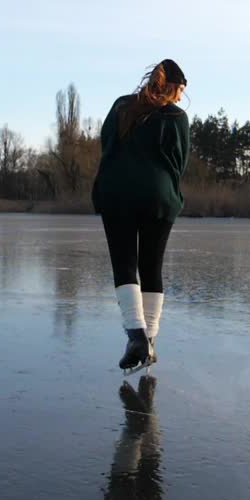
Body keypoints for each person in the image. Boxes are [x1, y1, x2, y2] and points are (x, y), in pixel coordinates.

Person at [91, 59, 190, 371]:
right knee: (151, 267)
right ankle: (150, 342)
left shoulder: (123, 105)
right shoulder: (177, 117)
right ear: (172, 87)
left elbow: (106, 143)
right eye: (180, 90)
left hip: (117, 192)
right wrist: (168, 189)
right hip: (157, 196)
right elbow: (179, 160)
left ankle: (136, 336)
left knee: (125, 265)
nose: (180, 97)